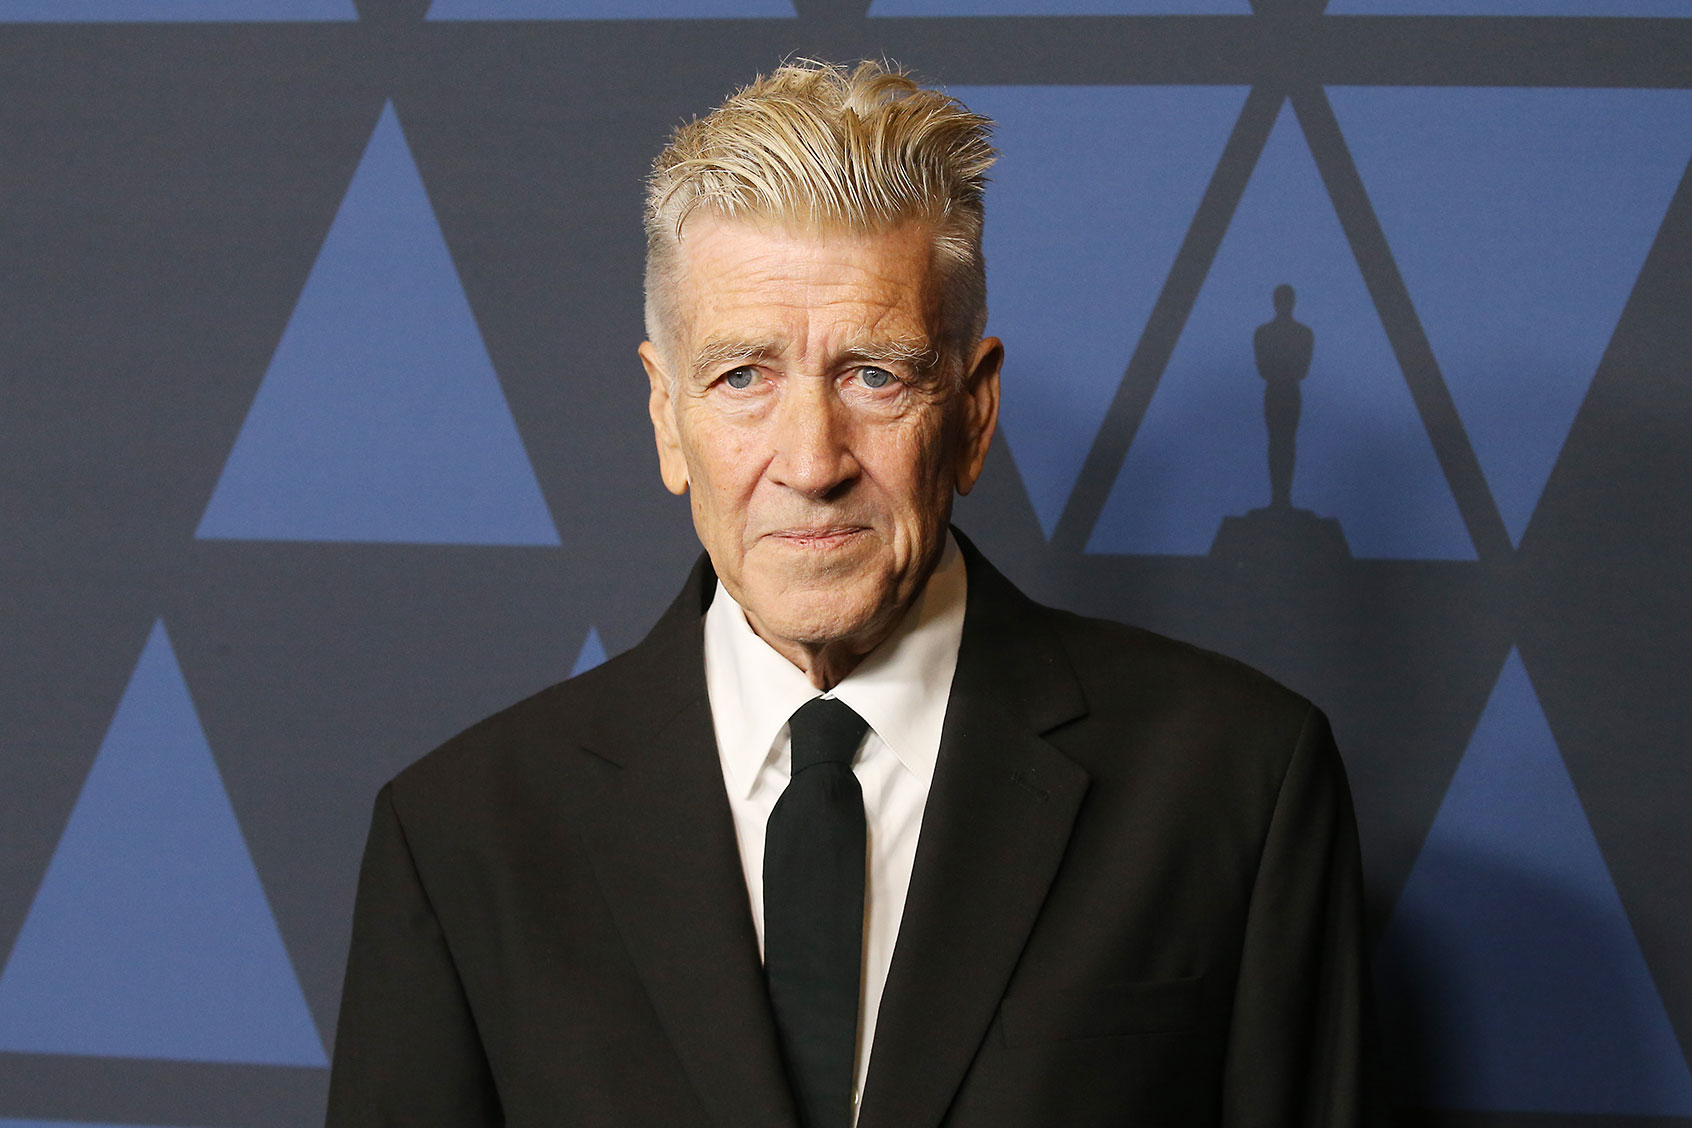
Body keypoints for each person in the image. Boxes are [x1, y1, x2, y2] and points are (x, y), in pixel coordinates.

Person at [326, 60, 1384, 1127]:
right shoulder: (461, 837)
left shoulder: (1237, 784)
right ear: (665, 417)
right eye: (744, 376)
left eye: (874, 374)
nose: (810, 460)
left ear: (972, 412)